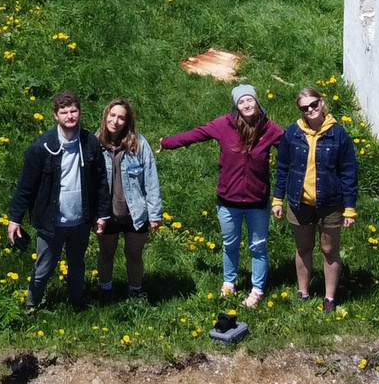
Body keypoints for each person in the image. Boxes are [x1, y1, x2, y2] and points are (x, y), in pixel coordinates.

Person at [159, 83, 285, 306]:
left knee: (258, 246)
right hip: (228, 201)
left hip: (258, 201)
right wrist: (167, 143)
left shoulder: (269, 128)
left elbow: (291, 148)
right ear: (236, 106)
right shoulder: (223, 125)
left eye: (250, 100)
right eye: (241, 101)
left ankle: (257, 290)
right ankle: (229, 283)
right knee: (230, 244)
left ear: (257, 102)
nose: (246, 104)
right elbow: (196, 134)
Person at [6, 89, 106, 311]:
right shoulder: (41, 147)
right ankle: (31, 306)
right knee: (44, 268)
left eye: (73, 111)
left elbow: (101, 182)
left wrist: (101, 214)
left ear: (80, 112)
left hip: (80, 221)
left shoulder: (90, 143)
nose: (70, 116)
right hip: (51, 222)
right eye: (64, 112)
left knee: (77, 265)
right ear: (55, 115)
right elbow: (25, 186)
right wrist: (15, 219)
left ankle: (77, 305)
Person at [272, 86, 359, 312]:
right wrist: (278, 199)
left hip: (331, 203)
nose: (310, 110)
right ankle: (303, 292)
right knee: (303, 248)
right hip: (299, 202)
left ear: (321, 102)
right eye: (304, 108)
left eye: (314, 104)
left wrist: (350, 208)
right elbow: (283, 168)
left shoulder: (339, 135)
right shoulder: (292, 133)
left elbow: (349, 173)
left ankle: (329, 297)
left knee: (329, 249)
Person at [93, 98, 162, 301]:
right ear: (106, 116)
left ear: (127, 121)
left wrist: (155, 215)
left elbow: (151, 180)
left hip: (135, 212)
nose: (115, 121)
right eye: (112, 115)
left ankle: (135, 292)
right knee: (106, 253)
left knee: (134, 255)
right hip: (106, 213)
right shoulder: (94, 143)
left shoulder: (139, 145)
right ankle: (106, 291)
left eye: (121, 118)